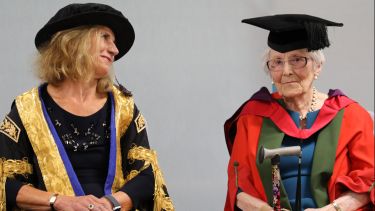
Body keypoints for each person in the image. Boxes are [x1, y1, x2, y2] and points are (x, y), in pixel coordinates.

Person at [0, 3, 174, 211]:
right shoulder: (27, 109)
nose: (115, 50)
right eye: (105, 37)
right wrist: (59, 201)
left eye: (114, 42)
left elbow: (147, 176)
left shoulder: (123, 107)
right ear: (73, 42)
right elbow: (5, 184)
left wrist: (111, 203)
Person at [224, 14, 374, 211]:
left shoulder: (349, 114)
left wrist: (331, 210)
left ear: (318, 66)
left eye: (297, 60)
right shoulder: (253, 117)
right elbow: (238, 186)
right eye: (276, 62)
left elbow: (370, 180)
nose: (286, 71)